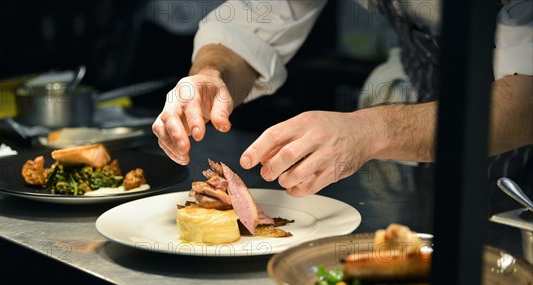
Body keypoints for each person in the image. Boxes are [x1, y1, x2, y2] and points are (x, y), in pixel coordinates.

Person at [152, 0, 533, 197]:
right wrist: (210, 74)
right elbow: (253, 22)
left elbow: (526, 99)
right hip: (428, 117)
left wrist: (371, 131)